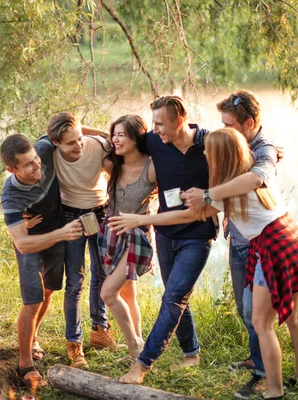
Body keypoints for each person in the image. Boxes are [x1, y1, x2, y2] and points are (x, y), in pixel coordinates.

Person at [110, 128, 298, 400]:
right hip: (290, 238)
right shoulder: (243, 178)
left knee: (262, 322)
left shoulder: (227, 189)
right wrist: (142, 220)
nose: (205, 153)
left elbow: (190, 213)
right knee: (292, 315)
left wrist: (142, 219)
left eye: (209, 150)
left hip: (273, 246)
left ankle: (274, 392)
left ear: (220, 156)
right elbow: (191, 214)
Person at [112, 95, 218, 384]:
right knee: (177, 295)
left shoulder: (210, 143)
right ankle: (191, 353)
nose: (154, 129)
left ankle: (142, 365)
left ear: (180, 120)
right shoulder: (156, 141)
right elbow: (126, 138)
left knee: (172, 299)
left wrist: (268, 152)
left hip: (197, 235)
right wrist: (83, 134)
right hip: (165, 233)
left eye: (160, 123)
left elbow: (243, 154)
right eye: (153, 124)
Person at [182, 89, 279, 398]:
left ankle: (265, 375)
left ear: (249, 123)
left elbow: (255, 180)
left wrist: (209, 195)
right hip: (238, 238)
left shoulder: (264, 150)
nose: (222, 130)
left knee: (259, 315)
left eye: (229, 125)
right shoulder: (229, 143)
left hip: (261, 242)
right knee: (244, 309)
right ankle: (258, 358)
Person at [0, 133, 83, 389]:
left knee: (48, 292)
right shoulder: (11, 196)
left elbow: (69, 129)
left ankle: (33, 337)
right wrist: (63, 233)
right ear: (12, 169)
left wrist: (102, 134)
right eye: (28, 164)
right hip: (33, 243)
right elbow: (22, 244)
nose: (38, 166)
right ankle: (25, 364)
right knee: (32, 299)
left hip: (56, 234)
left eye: (36, 159)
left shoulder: (44, 150)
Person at [46, 112, 117, 370]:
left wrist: (93, 133)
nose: (77, 146)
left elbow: (120, 142)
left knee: (103, 273)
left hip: (100, 212)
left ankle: (100, 330)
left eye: (79, 139)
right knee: (75, 281)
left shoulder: (97, 145)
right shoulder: (48, 153)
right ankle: (74, 345)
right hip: (71, 216)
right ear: (56, 143)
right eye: (70, 143)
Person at [97, 115, 156, 362]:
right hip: (112, 236)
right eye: (114, 134)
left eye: (122, 134)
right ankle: (139, 342)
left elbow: (177, 186)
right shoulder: (113, 164)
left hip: (137, 238)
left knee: (108, 293)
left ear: (136, 137)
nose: (115, 139)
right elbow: (86, 135)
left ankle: (134, 350)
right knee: (127, 293)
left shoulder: (152, 167)